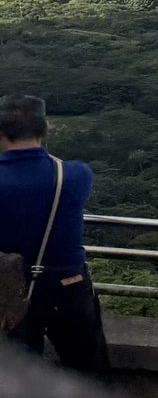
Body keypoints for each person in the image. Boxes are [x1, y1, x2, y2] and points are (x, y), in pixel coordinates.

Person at [1, 93, 110, 375]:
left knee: (17, 379)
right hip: (68, 286)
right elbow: (49, 165)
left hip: (10, 291)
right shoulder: (75, 175)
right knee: (90, 372)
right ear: (44, 130)